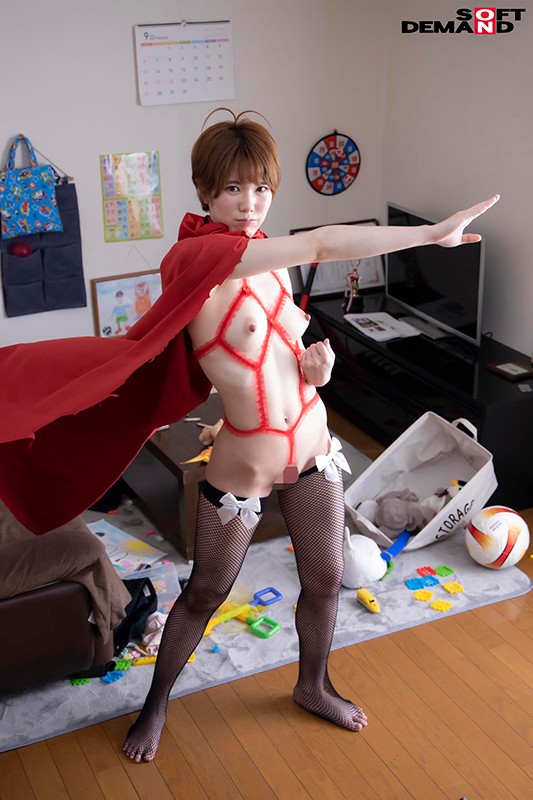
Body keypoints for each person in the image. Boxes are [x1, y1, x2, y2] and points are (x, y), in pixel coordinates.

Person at [118, 109, 499, 762]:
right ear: (204, 191)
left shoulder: (272, 264)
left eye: (261, 188)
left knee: (325, 579)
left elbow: (283, 356)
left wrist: (314, 369)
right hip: (245, 463)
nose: (250, 204)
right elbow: (321, 243)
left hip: (313, 448)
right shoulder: (193, 263)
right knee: (207, 591)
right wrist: (428, 233)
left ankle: (312, 686)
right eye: (233, 189)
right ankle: (154, 706)